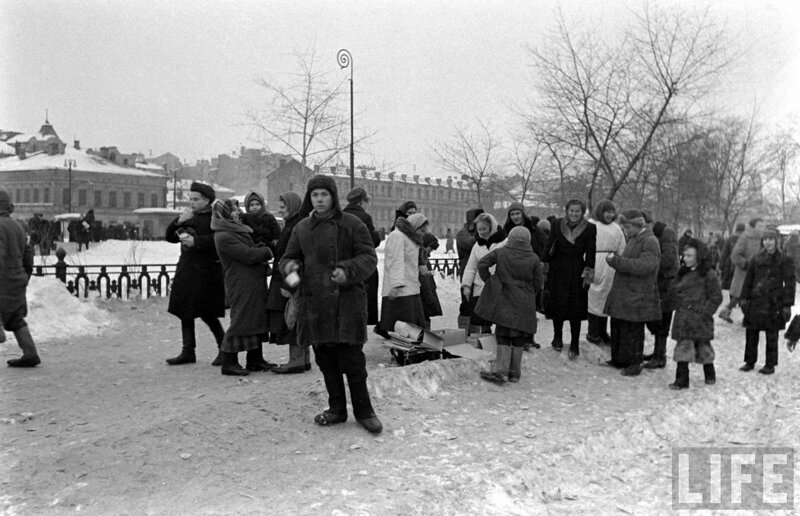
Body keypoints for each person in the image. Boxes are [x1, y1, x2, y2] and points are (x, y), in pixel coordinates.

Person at [281, 175, 381, 434]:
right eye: (315, 195)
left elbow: (369, 258)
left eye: (324, 194)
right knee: (326, 360)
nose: (320, 199)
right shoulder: (302, 228)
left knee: (353, 361)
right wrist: (292, 274)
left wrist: (347, 271)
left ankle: (364, 411)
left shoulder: (352, 223)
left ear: (333, 196)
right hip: (315, 304)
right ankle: (337, 409)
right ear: (309, 198)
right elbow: (287, 260)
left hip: (347, 303)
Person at [164, 182, 226, 366]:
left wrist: (196, 241)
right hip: (187, 270)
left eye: (196, 199)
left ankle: (224, 348)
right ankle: (187, 351)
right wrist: (179, 221)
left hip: (207, 272)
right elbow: (169, 237)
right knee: (185, 311)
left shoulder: (216, 217)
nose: (192, 203)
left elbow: (219, 240)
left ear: (207, 200)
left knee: (207, 313)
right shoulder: (188, 216)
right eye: (190, 199)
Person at [211, 199, 273, 376]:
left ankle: (255, 359)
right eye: (233, 210)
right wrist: (268, 251)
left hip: (252, 281)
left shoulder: (235, 229)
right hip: (241, 283)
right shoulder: (224, 235)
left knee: (255, 317)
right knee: (241, 320)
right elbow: (247, 255)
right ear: (224, 214)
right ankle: (228, 361)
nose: (238, 212)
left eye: (237, 209)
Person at [475, 226, 544, 384]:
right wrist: (529, 292)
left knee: (503, 334)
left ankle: (501, 372)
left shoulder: (501, 252)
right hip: (524, 299)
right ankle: (515, 373)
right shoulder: (533, 258)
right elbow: (539, 282)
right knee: (519, 336)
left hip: (504, 295)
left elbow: (482, 264)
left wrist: (491, 281)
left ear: (510, 238)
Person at [604, 209, 661, 376]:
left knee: (633, 330)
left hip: (638, 293)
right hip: (627, 292)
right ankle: (620, 359)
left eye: (627, 226)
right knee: (620, 326)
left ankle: (635, 363)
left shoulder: (650, 241)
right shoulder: (635, 238)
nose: (625, 229)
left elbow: (645, 265)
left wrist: (617, 261)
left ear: (637, 224)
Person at [542, 199, 596, 359]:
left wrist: (588, 273)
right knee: (557, 305)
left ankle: (574, 343)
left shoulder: (590, 228)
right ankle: (557, 337)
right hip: (558, 268)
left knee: (575, 308)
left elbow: (591, 252)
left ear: (582, 212)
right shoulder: (557, 224)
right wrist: (544, 263)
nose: (574, 214)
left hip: (577, 269)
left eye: (577, 211)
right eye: (571, 211)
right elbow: (549, 244)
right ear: (566, 211)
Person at [739, 228, 795, 375]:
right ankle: (749, 361)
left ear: (776, 241)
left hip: (774, 302)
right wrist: (744, 298)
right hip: (756, 300)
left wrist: (787, 305)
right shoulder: (756, 258)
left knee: (772, 335)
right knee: (751, 332)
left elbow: (790, 283)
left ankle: (770, 364)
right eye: (765, 239)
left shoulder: (784, 259)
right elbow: (749, 279)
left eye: (770, 239)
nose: (768, 242)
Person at [668, 239, 723, 389]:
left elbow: (716, 297)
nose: (685, 259)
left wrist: (706, 312)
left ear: (698, 257)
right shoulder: (682, 272)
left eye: (689, 256)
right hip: (684, 318)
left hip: (700, 318)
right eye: (684, 255)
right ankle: (682, 380)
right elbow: (674, 290)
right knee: (683, 348)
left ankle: (710, 374)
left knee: (703, 347)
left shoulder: (708, 274)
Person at [267, 192, 311, 374]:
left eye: (283, 207)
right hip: (287, 279)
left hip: (289, 280)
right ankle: (304, 360)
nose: (280, 210)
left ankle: (296, 361)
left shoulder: (295, 226)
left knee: (292, 319)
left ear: (292, 206)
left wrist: (288, 285)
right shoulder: (293, 224)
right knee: (295, 318)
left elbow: (297, 260)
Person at [1, 189, 40, 367]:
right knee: (16, 319)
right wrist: (25, 275)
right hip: (17, 278)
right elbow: (28, 253)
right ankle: (30, 353)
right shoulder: (17, 226)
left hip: (3, 280)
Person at [376, 213, 429, 338]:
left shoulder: (409, 237)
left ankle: (407, 355)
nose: (422, 234)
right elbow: (395, 260)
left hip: (409, 289)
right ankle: (401, 354)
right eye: (421, 230)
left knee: (411, 329)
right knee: (403, 329)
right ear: (414, 226)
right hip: (400, 292)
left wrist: (420, 267)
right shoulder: (397, 236)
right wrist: (396, 285)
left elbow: (408, 260)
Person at [641, 210, 680, 369]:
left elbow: (669, 259)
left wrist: (648, 263)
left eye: (645, 225)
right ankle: (657, 352)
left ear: (650, 222)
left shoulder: (666, 232)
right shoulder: (649, 235)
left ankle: (660, 356)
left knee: (663, 320)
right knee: (654, 319)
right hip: (656, 283)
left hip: (666, 283)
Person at [587, 200, 625, 345]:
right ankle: (593, 331)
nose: (609, 215)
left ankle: (603, 331)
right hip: (592, 261)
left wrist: (620, 260)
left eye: (611, 212)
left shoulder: (616, 228)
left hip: (611, 265)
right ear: (600, 211)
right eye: (606, 211)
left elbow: (622, 247)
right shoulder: (591, 224)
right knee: (592, 297)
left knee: (606, 297)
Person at [461, 213, 507, 335]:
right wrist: (466, 285)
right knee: (483, 318)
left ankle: (500, 340)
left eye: (484, 229)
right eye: (479, 229)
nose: (481, 232)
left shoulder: (504, 242)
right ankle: (486, 340)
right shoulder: (477, 245)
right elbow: (471, 266)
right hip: (481, 286)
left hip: (500, 285)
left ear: (491, 227)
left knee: (500, 316)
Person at [343, 187, 381, 327]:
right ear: (361, 201)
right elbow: (371, 241)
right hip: (363, 266)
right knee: (364, 303)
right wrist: (377, 235)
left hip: (345, 265)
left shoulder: (341, 215)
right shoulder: (365, 217)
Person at [720, 218, 765, 322]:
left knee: (748, 295)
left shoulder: (763, 239)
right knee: (740, 295)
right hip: (744, 272)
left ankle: (743, 315)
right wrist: (746, 264)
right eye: (760, 226)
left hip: (757, 272)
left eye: (763, 226)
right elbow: (735, 255)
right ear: (753, 227)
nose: (762, 228)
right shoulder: (745, 237)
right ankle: (729, 312)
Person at [456, 208, 484, 326]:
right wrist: (482, 233)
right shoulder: (462, 233)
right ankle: (464, 331)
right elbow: (470, 243)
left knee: (479, 303)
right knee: (467, 303)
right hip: (467, 272)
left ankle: (477, 330)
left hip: (479, 274)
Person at [420, 232, 443, 329]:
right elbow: (425, 283)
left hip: (425, 297)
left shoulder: (424, 260)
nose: (431, 252)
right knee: (424, 319)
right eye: (431, 248)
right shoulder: (422, 261)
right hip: (424, 298)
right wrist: (430, 299)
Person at [719, 223, 745, 291]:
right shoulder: (745, 240)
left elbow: (724, 254)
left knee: (732, 288)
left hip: (730, 266)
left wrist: (721, 267)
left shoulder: (730, 239)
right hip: (742, 266)